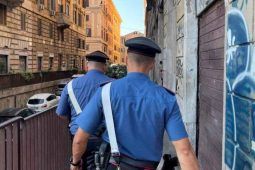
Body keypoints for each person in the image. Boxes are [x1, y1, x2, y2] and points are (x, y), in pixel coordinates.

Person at [70, 37, 199, 170]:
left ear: (126, 60)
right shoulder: (166, 98)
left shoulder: (105, 92)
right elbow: (184, 151)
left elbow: (80, 139)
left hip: (114, 165)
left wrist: (75, 163)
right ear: (152, 64)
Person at [56, 51, 112, 170]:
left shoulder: (70, 86)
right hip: (105, 139)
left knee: (78, 165)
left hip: (77, 138)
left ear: (87, 66)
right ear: (104, 67)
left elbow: (60, 114)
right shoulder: (114, 85)